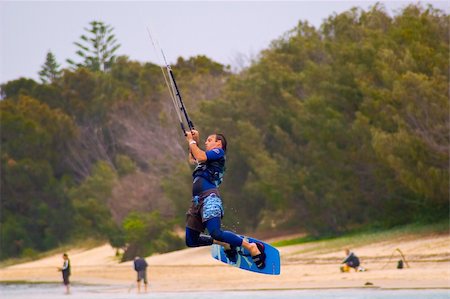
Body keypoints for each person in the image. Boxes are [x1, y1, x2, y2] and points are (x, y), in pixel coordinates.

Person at [184, 130, 266, 269]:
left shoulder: (218, 153)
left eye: (209, 140)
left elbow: (200, 156)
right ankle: (224, 243)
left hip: (209, 198)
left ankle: (250, 247)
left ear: (218, 143)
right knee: (191, 240)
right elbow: (193, 158)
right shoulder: (205, 159)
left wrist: (192, 142)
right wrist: (195, 141)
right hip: (197, 202)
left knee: (215, 232)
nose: (206, 142)